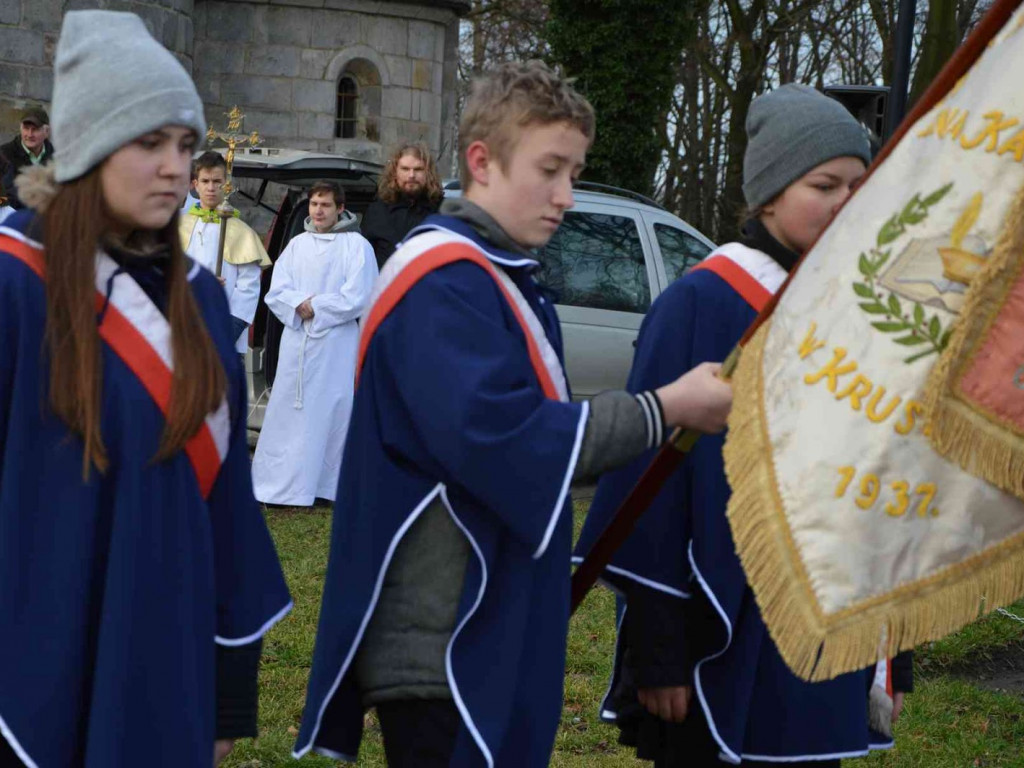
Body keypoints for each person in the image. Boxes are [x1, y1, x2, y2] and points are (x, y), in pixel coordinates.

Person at [293, 60, 733, 767]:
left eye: (575, 173)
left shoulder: (500, 276)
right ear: (481, 163)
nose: (565, 195)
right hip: (446, 642)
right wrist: (663, 409)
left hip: (486, 618)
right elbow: (504, 436)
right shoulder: (442, 284)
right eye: (550, 169)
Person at [574, 83, 912, 767]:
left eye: (859, 184)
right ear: (769, 193)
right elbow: (651, 485)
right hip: (714, 627)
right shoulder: (702, 301)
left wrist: (891, 650)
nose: (848, 201)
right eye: (825, 184)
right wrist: (660, 649)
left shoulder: (857, 309)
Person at [0, 11, 291, 767]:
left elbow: (226, 505)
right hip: (24, 674)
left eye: (185, 145)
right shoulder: (13, 286)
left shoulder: (196, 298)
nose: (174, 166)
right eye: (149, 141)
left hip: (161, 668)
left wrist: (227, 694)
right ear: (89, 147)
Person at [251, 181, 377, 507]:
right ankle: (278, 486)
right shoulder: (296, 245)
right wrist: (298, 304)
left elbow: (360, 295)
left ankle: (325, 488)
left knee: (330, 412)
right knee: (289, 410)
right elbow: (277, 290)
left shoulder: (356, 246)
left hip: (336, 343)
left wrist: (316, 307)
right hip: (298, 343)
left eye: (325, 205)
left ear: (340, 208)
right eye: (314, 204)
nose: (318, 211)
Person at [178, 151, 270, 353]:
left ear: (227, 183)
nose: (211, 188)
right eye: (205, 181)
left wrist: (225, 334)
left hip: (224, 335)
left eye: (217, 181)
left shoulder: (242, 233)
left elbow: (248, 289)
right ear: (195, 184)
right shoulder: (178, 228)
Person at [359, 141, 443, 268]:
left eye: (418, 169)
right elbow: (364, 261)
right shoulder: (377, 211)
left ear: (428, 173)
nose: (411, 175)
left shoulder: (443, 211)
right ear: (394, 172)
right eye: (405, 169)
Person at [0, 107, 54, 209]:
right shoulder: (4, 155)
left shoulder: (56, 157)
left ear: (46, 132)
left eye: (35, 129)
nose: (29, 134)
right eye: (26, 128)